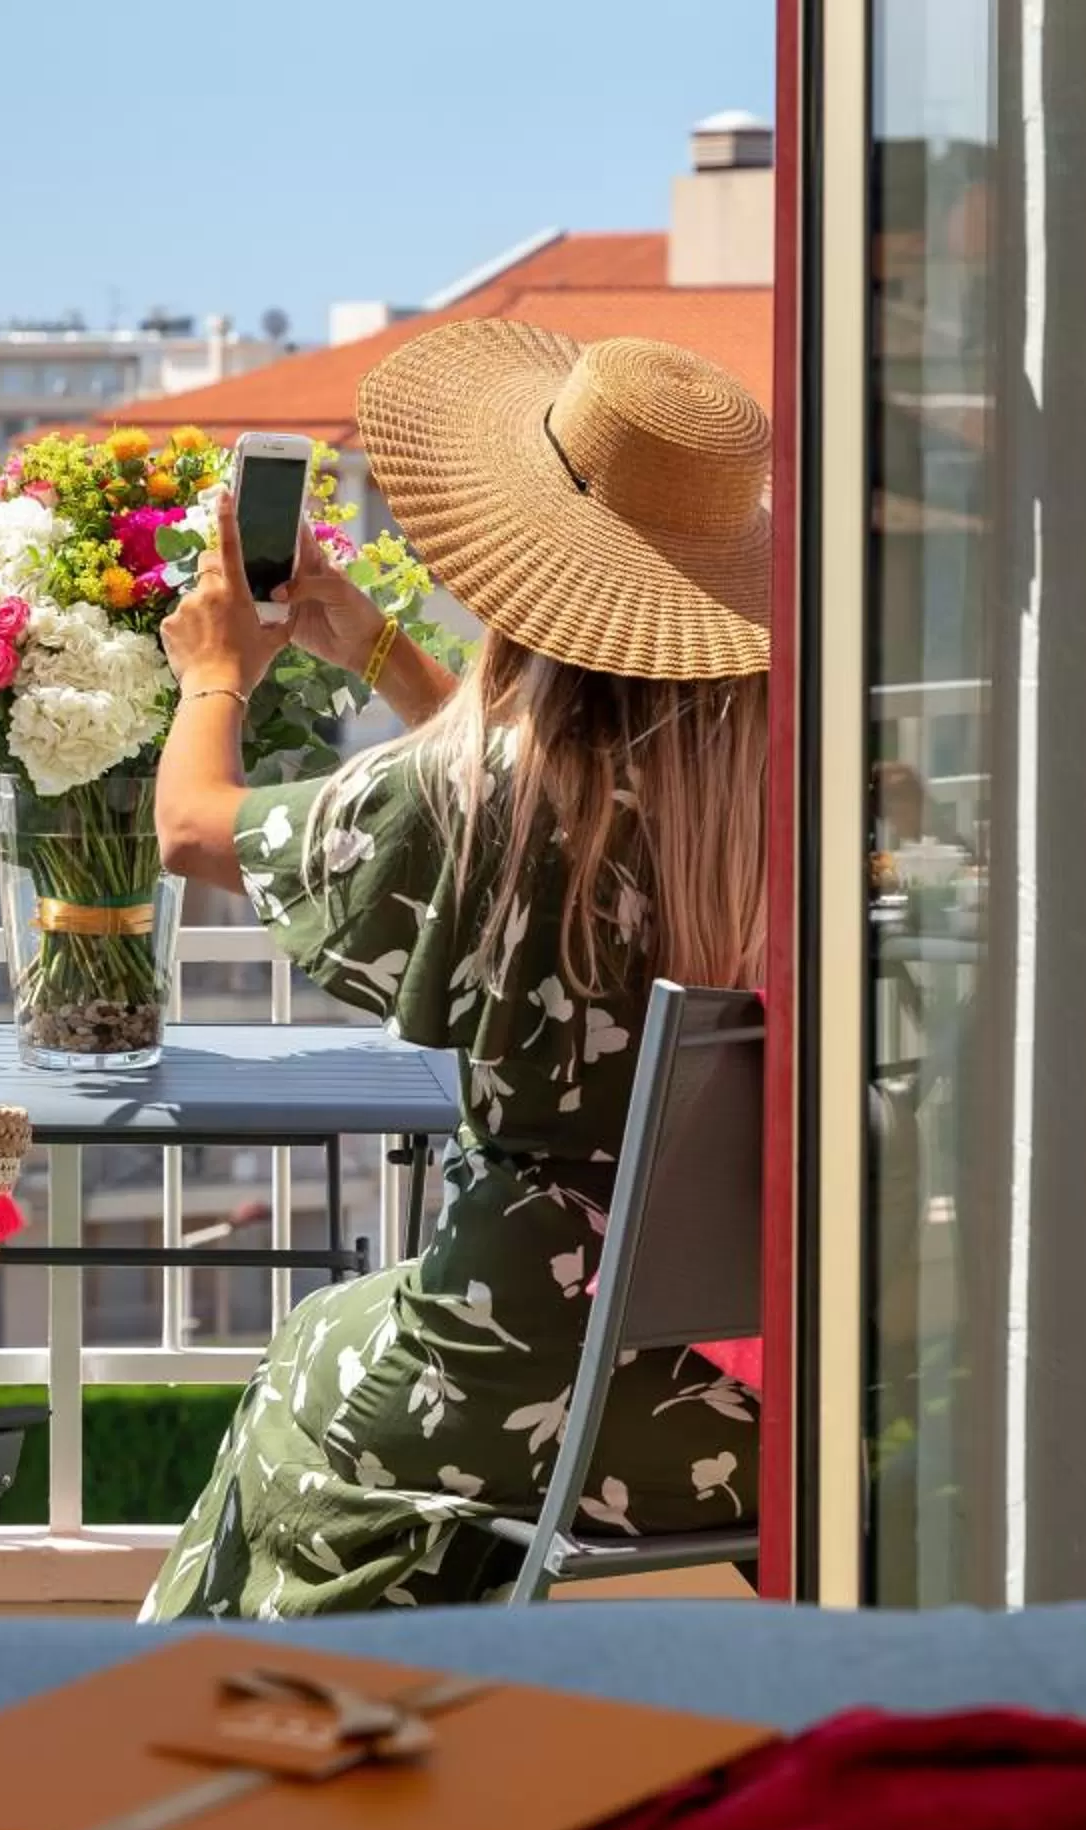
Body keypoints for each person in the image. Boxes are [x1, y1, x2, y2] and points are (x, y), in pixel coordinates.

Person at [142, 328, 770, 1619]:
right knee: (332, 1353)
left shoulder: (483, 790)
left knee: (295, 1398)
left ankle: (222, 1724)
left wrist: (215, 673)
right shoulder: (769, 782)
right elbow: (524, 803)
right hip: (751, 1393)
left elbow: (193, 828)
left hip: (532, 1370)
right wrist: (371, 646)